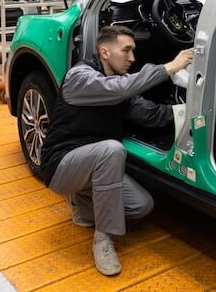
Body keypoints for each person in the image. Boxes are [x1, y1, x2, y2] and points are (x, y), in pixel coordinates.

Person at [40, 25, 193, 276]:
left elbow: (150, 114)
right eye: (127, 51)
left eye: (133, 52)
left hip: (92, 165)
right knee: (112, 150)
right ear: (104, 52)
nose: (132, 58)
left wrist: (192, 112)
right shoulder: (80, 77)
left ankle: (82, 201)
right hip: (60, 165)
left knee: (140, 206)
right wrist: (170, 67)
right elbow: (120, 88)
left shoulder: (119, 90)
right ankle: (103, 240)